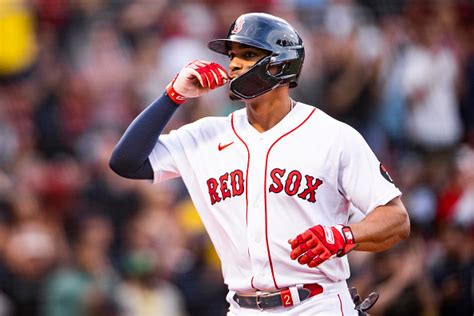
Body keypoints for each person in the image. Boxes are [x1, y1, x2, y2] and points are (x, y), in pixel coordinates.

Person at [109, 12, 410, 315]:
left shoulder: (332, 136)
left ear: (281, 63)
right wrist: (172, 97)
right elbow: (126, 162)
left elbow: (396, 219)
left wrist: (346, 236)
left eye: (248, 54)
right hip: (242, 307)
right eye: (233, 55)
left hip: (317, 304)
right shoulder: (206, 135)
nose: (235, 64)